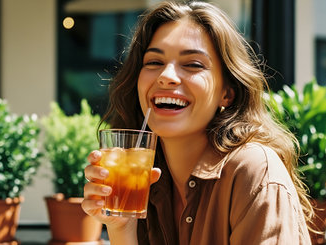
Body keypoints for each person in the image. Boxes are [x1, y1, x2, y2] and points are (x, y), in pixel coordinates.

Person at [82, 1, 313, 244]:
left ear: (227, 93)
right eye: (154, 62)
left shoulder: (253, 170)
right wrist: (121, 227)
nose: (166, 76)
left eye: (192, 64)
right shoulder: (147, 181)